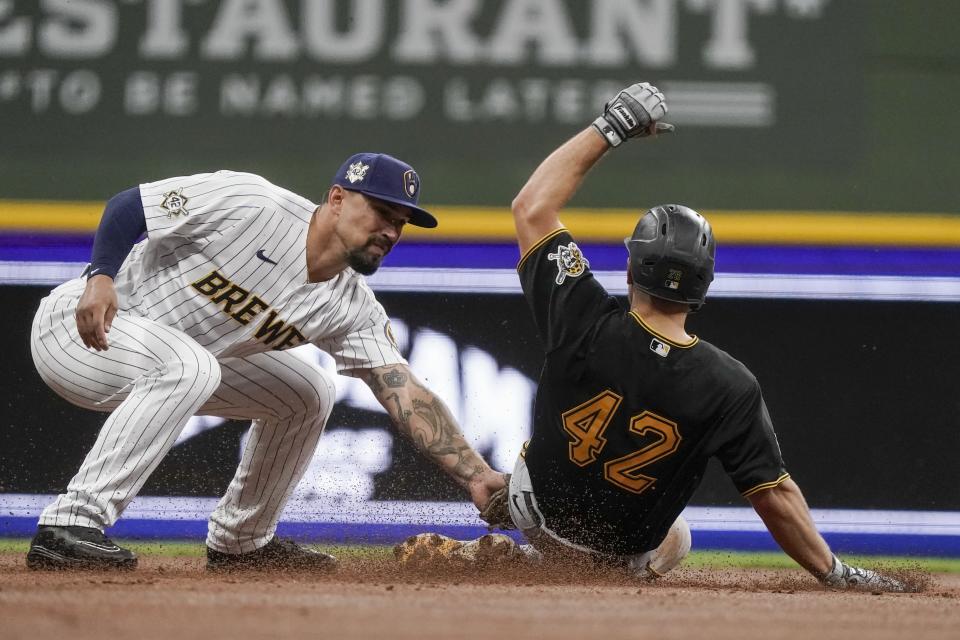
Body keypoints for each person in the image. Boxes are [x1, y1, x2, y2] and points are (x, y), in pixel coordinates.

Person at [396, 83, 904, 591]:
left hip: (536, 510)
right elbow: (774, 495)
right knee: (677, 539)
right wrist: (834, 572)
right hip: (623, 552)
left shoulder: (583, 315)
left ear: (632, 271)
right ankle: (567, 575)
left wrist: (610, 128)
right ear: (703, 287)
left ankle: (521, 557)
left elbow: (530, 206)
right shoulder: (730, 385)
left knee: (572, 495)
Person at [27, 153, 505, 571]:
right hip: (79, 332)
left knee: (307, 394)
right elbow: (131, 204)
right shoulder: (252, 204)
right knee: (192, 365)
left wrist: (477, 476)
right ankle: (71, 525)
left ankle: (242, 542)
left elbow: (403, 390)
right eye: (382, 211)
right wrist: (100, 276)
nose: (390, 231)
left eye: (401, 222)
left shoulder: (350, 306)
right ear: (336, 198)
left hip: (171, 365)